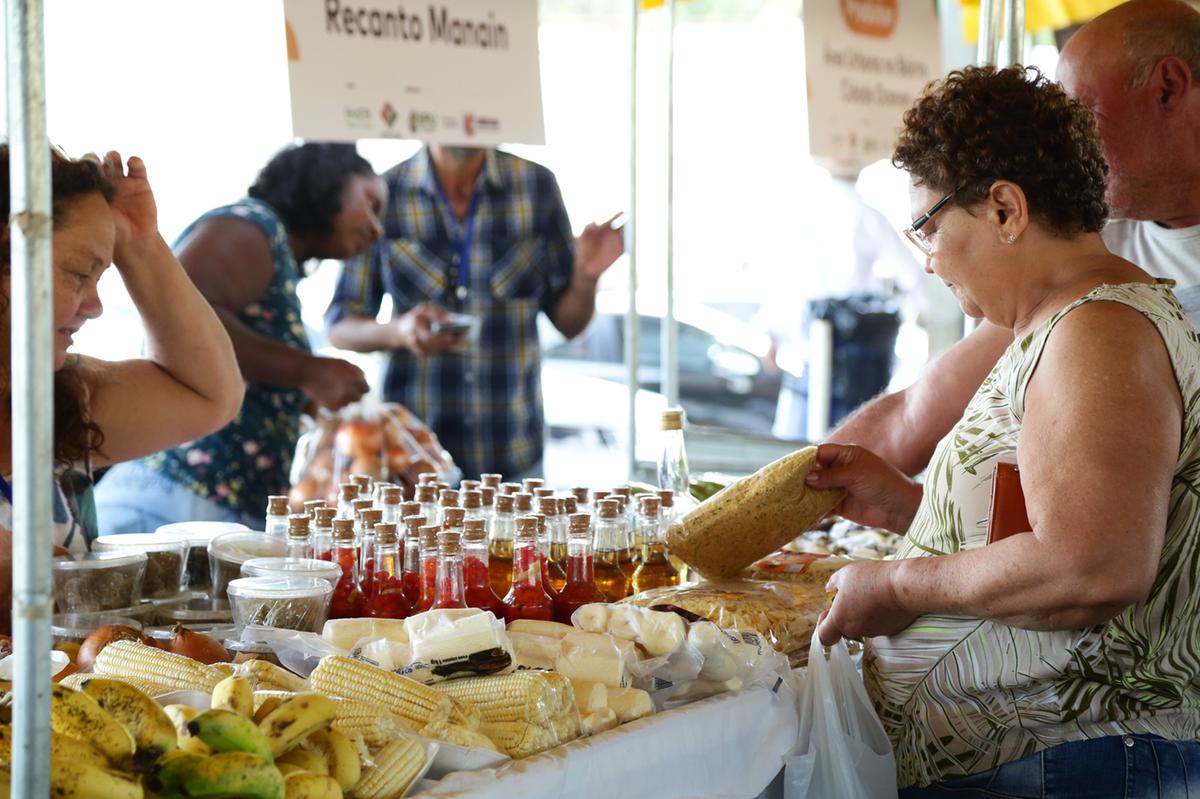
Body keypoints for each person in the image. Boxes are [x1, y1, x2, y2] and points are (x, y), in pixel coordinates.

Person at [807, 65, 1200, 796]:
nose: (927, 263)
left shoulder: (1099, 329)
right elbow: (1052, 525)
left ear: (1005, 209)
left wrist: (896, 583)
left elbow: (1094, 564)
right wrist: (908, 508)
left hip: (1069, 764)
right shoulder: (1064, 323)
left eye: (928, 228)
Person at [826, 0, 1200, 476]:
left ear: (1168, 88)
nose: (1066, 140)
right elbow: (913, 417)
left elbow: (1088, 552)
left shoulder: (1093, 272)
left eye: (1080, 111)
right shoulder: (1088, 243)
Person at [0, 146, 243, 618]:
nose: (95, 306)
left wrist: (141, 244)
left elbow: (211, 395)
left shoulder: (62, 396)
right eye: (78, 274)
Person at [94, 143, 382, 532]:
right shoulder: (252, 225)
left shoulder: (273, 247)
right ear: (328, 183)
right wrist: (308, 371)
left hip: (202, 508)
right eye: (371, 203)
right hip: (175, 503)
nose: (377, 229)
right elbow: (188, 318)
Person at [325, 144, 623, 480]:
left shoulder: (536, 185)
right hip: (413, 460)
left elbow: (570, 325)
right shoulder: (386, 191)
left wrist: (585, 278)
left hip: (512, 456)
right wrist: (399, 331)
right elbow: (340, 325)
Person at [754, 163, 924, 439]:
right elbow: (913, 278)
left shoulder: (803, 214)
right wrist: (920, 314)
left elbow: (782, 278)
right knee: (847, 444)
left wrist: (772, 333)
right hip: (855, 358)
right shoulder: (866, 216)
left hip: (813, 350)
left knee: (799, 447)